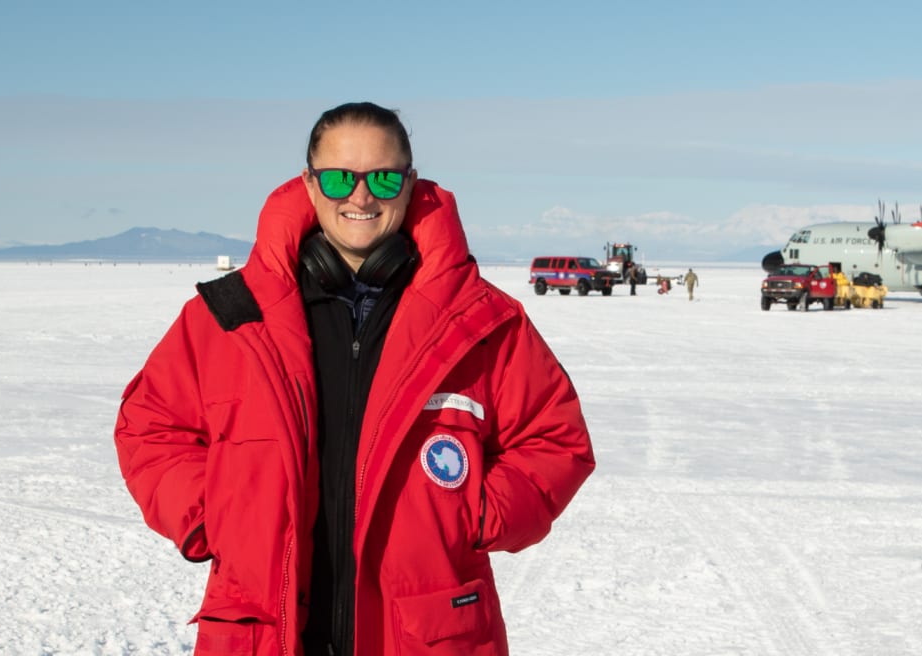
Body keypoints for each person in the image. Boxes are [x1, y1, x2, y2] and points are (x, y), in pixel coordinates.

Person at [114, 102, 595, 656]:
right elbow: (149, 428)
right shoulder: (231, 317)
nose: (361, 197)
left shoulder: (479, 321)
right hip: (263, 631)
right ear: (310, 185)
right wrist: (214, 516)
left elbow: (555, 439)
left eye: (384, 178)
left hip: (425, 633)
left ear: (410, 184)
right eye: (341, 177)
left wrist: (474, 514)